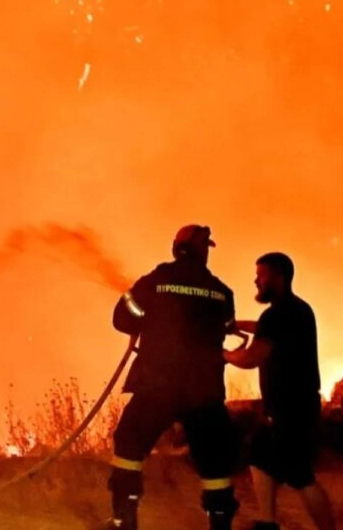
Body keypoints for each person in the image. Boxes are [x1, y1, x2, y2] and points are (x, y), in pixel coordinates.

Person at [105, 224, 241, 530]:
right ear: (203, 251)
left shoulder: (155, 281)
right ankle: (220, 525)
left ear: (175, 247)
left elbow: (122, 318)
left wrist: (149, 319)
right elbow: (228, 326)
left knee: (128, 446)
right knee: (215, 463)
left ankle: (123, 521)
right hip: (203, 392)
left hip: (157, 385)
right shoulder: (221, 292)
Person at [223, 252, 335, 530]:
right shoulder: (298, 309)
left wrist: (221, 353)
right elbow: (265, 329)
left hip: (290, 411)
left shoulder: (277, 315)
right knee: (259, 455)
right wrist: (234, 325)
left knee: (300, 476)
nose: (256, 281)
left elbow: (252, 358)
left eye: (261, 276)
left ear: (278, 277)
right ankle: (266, 521)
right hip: (296, 406)